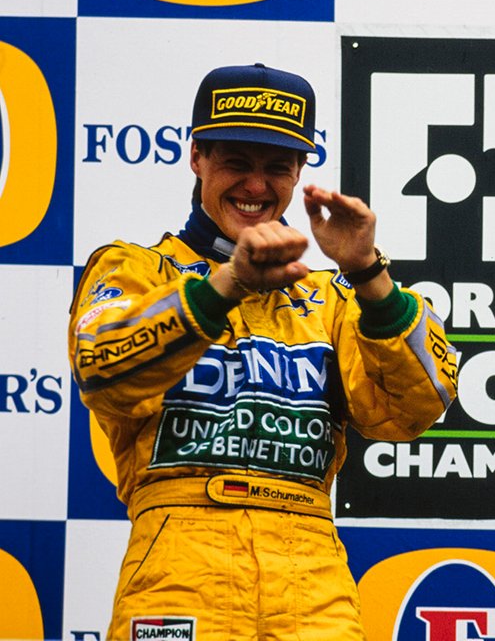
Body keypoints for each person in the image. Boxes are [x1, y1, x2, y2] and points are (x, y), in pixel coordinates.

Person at [69, 63, 459, 640]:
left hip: (311, 577)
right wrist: (228, 283)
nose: (256, 186)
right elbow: (103, 371)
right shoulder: (136, 269)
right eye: (236, 162)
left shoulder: (331, 296)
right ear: (197, 156)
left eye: (277, 167)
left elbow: (416, 408)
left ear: (300, 172)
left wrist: (368, 273)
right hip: (179, 563)